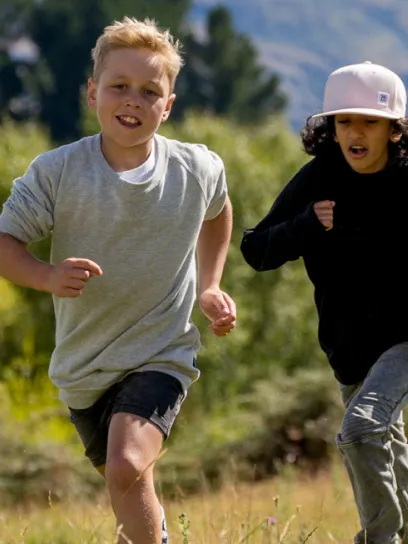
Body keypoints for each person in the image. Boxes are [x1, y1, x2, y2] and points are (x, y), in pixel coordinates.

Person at [239, 61, 408, 544]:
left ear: (395, 129)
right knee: (389, 461)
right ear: (331, 128)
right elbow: (256, 250)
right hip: (350, 345)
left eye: (369, 122)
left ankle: (376, 539)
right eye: (344, 122)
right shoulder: (319, 179)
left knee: (361, 429)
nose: (355, 133)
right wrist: (306, 225)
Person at [0, 17, 236, 544]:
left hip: (161, 353)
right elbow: (5, 243)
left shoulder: (196, 168)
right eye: (119, 87)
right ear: (92, 93)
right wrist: (45, 274)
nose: (133, 100)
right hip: (83, 371)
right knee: (126, 482)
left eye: (150, 91)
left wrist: (210, 284)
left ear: (168, 105)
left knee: (127, 463)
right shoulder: (57, 173)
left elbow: (218, 212)